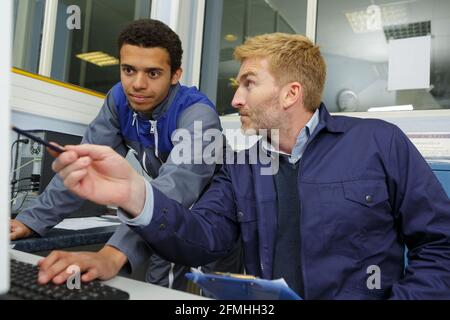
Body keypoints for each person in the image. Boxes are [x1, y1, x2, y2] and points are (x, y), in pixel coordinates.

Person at [44, 33, 450, 299]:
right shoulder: (240, 166)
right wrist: (134, 194)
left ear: (291, 93)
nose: (236, 100)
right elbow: (201, 238)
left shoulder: (379, 142)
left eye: (248, 84)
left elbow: (440, 246)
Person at [11, 19, 242, 291]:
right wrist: (30, 220)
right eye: (128, 70)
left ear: (176, 74)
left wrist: (112, 253)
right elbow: (83, 168)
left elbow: (177, 185)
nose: (137, 84)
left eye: (153, 73)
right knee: (158, 279)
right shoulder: (119, 100)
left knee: (214, 290)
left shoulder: (198, 114)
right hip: (165, 209)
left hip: (213, 214)